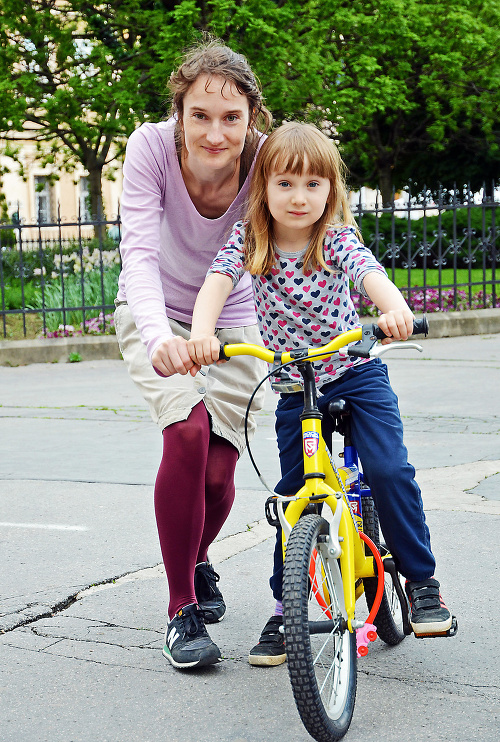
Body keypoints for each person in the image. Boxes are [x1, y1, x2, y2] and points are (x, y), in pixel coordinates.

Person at [187, 121, 453, 667]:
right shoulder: (251, 239)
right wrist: (202, 334)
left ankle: (422, 581)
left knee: (388, 470)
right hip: (291, 384)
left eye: (313, 184)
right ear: (263, 189)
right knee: (293, 499)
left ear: (332, 190)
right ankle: (289, 609)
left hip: (355, 374)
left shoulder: (334, 238)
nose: (299, 197)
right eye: (285, 184)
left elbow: (368, 273)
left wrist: (393, 309)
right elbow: (217, 279)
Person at [114, 40, 272, 670]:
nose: (215, 132)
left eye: (230, 117)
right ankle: (181, 609)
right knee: (186, 436)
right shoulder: (149, 148)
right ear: (178, 112)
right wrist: (161, 339)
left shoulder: (264, 158)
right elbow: (141, 256)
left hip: (234, 318)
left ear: (251, 118)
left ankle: (197, 554)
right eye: (199, 114)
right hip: (156, 315)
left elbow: (306, 226)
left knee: (217, 474)